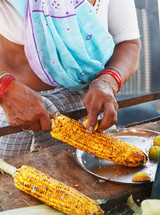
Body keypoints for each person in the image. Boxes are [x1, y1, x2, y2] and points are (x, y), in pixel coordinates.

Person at [0, 0, 141, 159]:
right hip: (15, 112)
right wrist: (4, 89)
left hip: (90, 111)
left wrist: (108, 82)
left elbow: (128, 43)